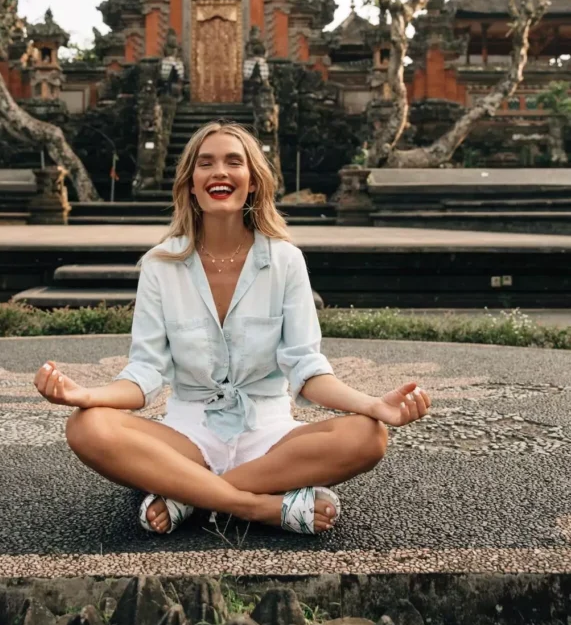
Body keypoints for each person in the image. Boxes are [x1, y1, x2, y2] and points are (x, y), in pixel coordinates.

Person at [34, 122, 431, 535]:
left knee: (368, 436)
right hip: (187, 436)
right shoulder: (159, 264)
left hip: (270, 437)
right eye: (206, 163)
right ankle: (258, 507)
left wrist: (372, 405)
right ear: (191, 184)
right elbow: (145, 372)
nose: (219, 172)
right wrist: (87, 395)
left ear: (253, 181)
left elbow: (307, 368)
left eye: (233, 162)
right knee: (86, 426)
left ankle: (187, 494)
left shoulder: (285, 260)